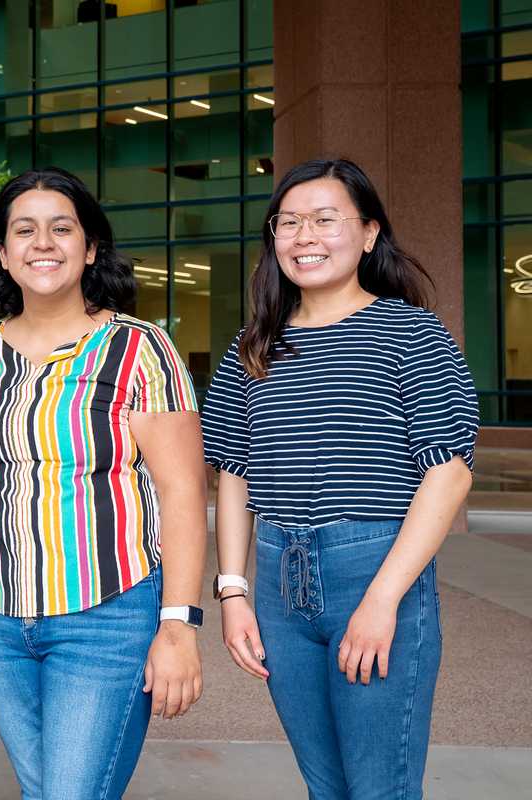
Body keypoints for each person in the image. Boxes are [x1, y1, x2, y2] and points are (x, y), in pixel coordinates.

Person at [202, 158, 478, 800]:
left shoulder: (411, 331)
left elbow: (449, 476)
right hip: (276, 580)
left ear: (369, 234)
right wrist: (234, 593)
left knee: (379, 789)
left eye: (326, 220)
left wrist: (382, 602)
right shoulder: (254, 345)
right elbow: (235, 476)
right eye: (289, 222)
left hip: (376, 570)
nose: (305, 236)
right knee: (326, 788)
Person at [0, 167, 207, 800]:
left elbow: (183, 492)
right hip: (4, 621)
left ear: (90, 248)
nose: (43, 243)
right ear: (2, 256)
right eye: (24, 230)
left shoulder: (139, 348)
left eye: (62, 229)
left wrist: (179, 626)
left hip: (107, 618)